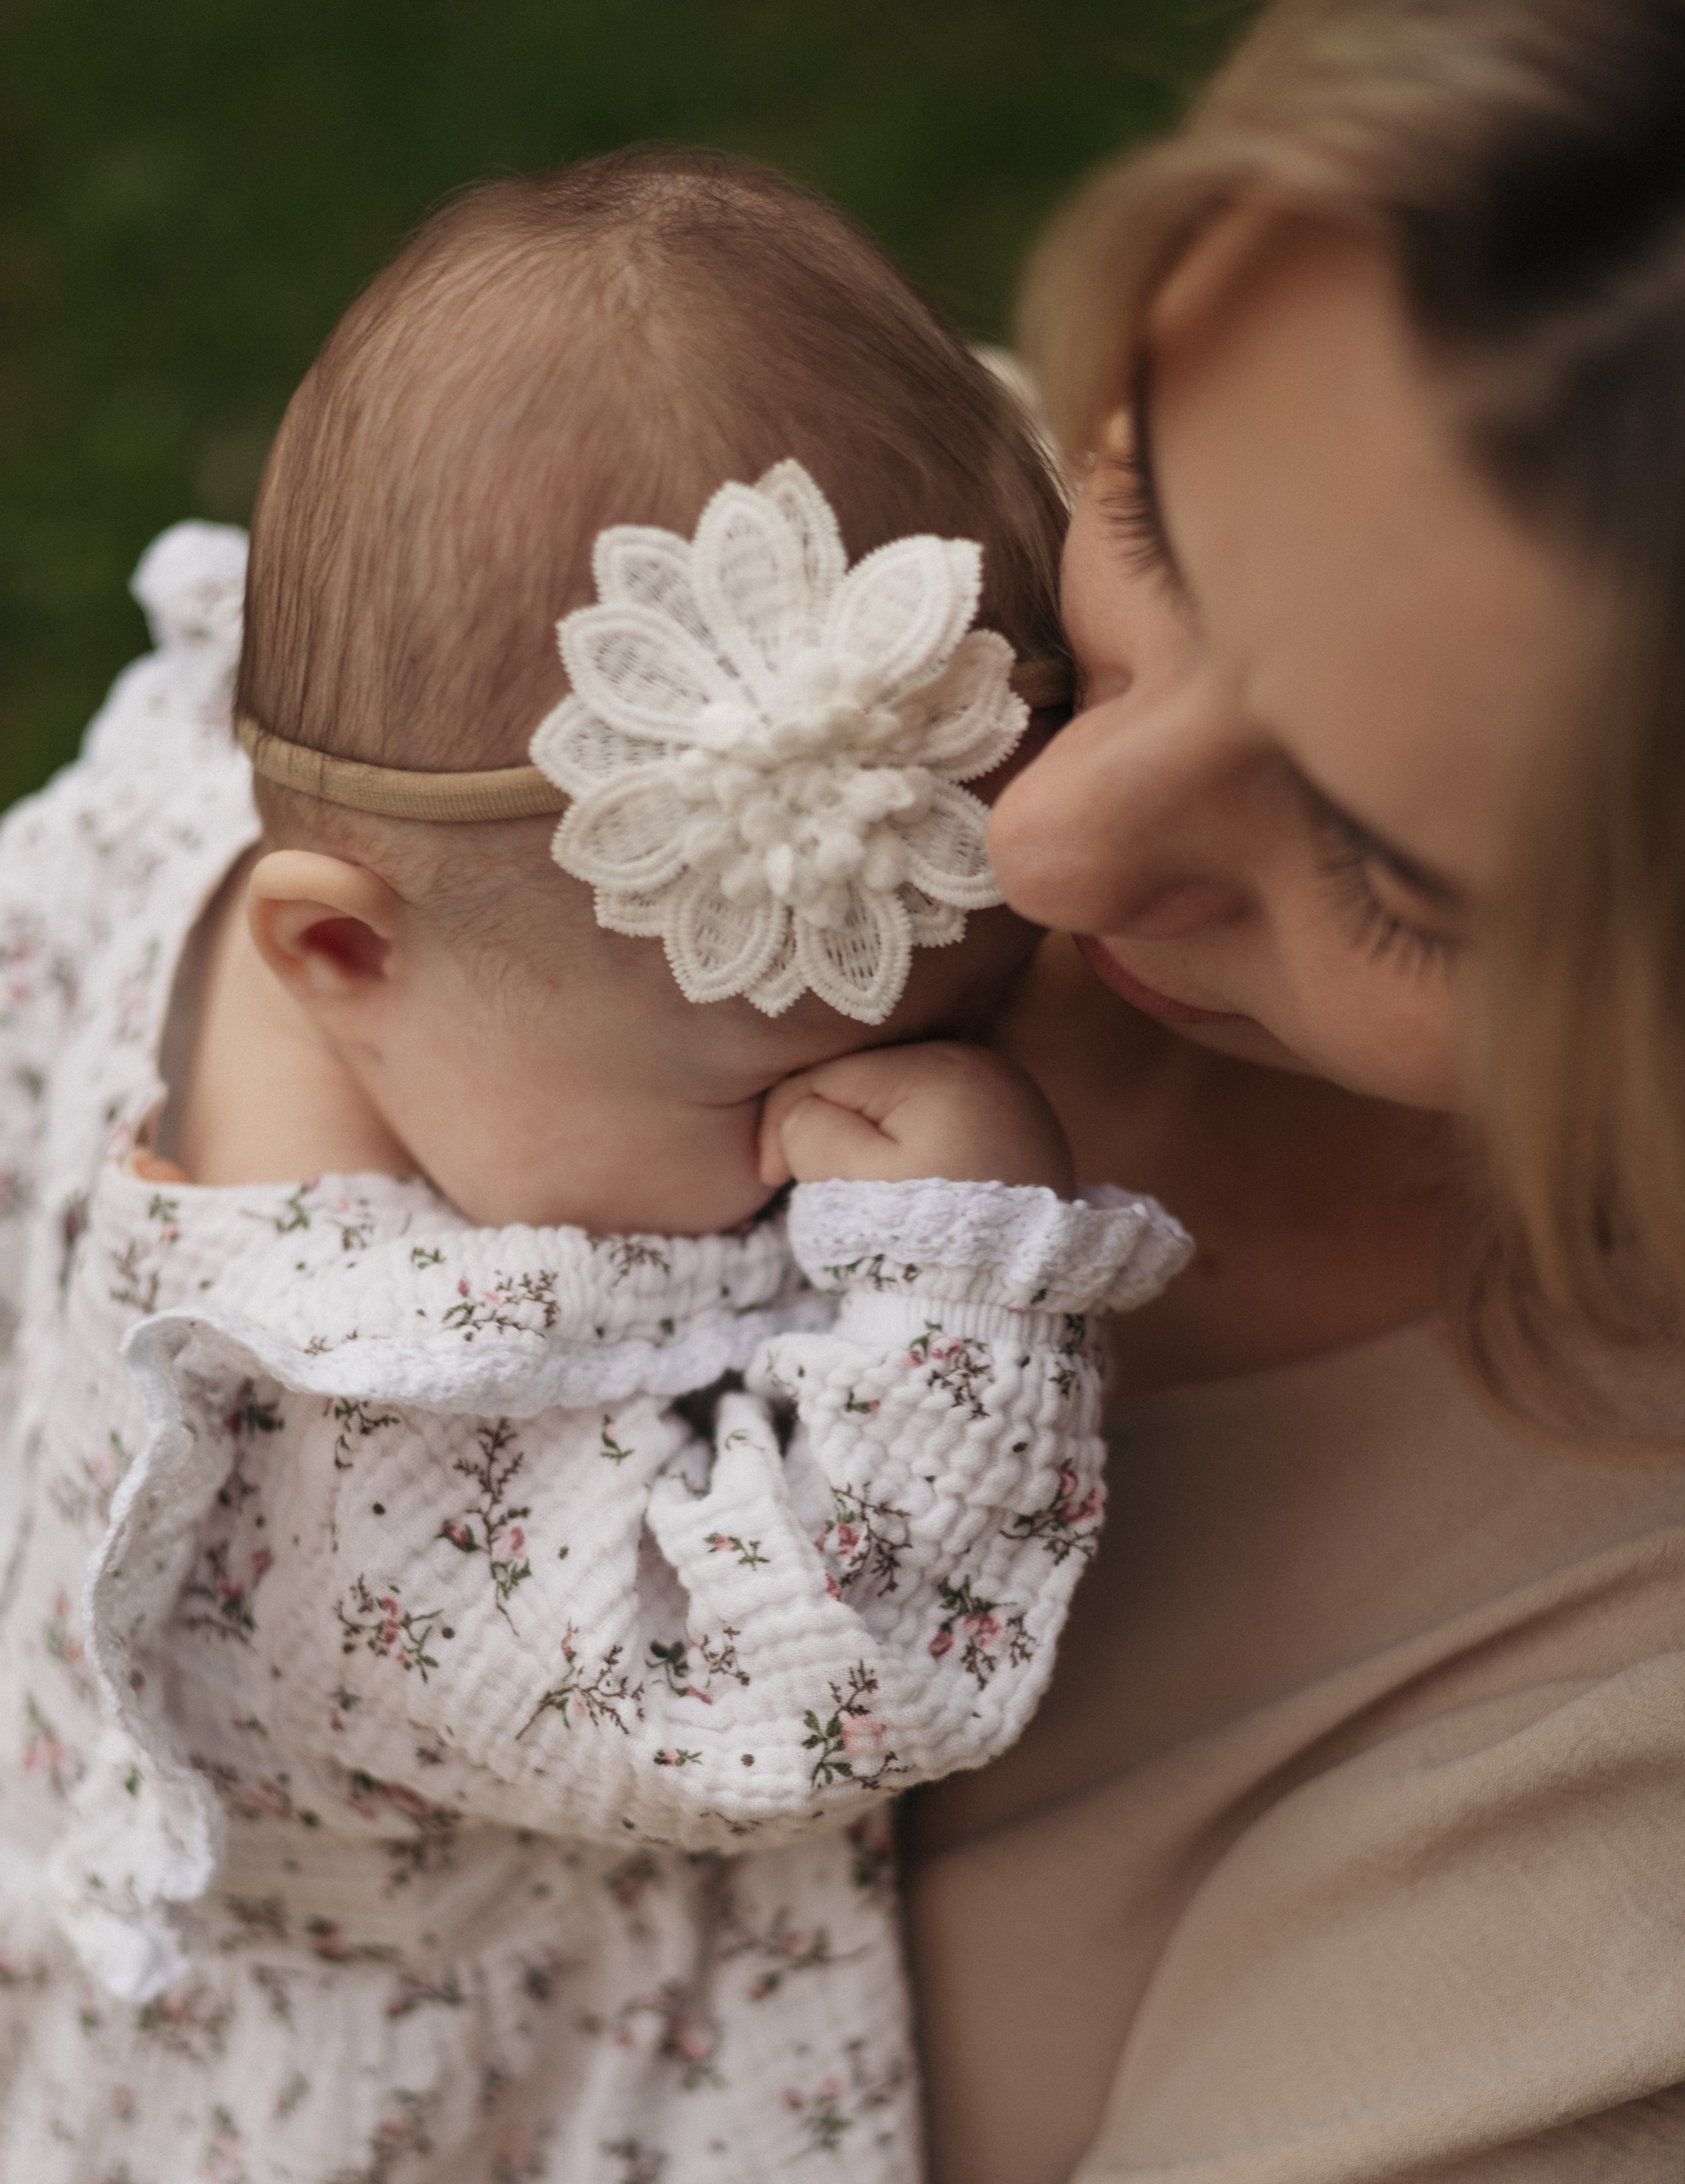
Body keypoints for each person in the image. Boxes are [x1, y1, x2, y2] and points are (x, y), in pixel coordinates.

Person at [0, 152, 1193, 2182]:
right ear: (338, 954)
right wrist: (957, 1271)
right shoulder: (361, 1442)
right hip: (398, 2107)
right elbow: (787, 1687)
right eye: (777, 1086)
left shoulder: (199, 816)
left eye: (964, 1016)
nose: (857, 1125)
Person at [904, 3, 1685, 2179]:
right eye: (1154, 512)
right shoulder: (860, 503)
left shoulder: (1601, 1876)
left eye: (1399, 879)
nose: (1045, 842)